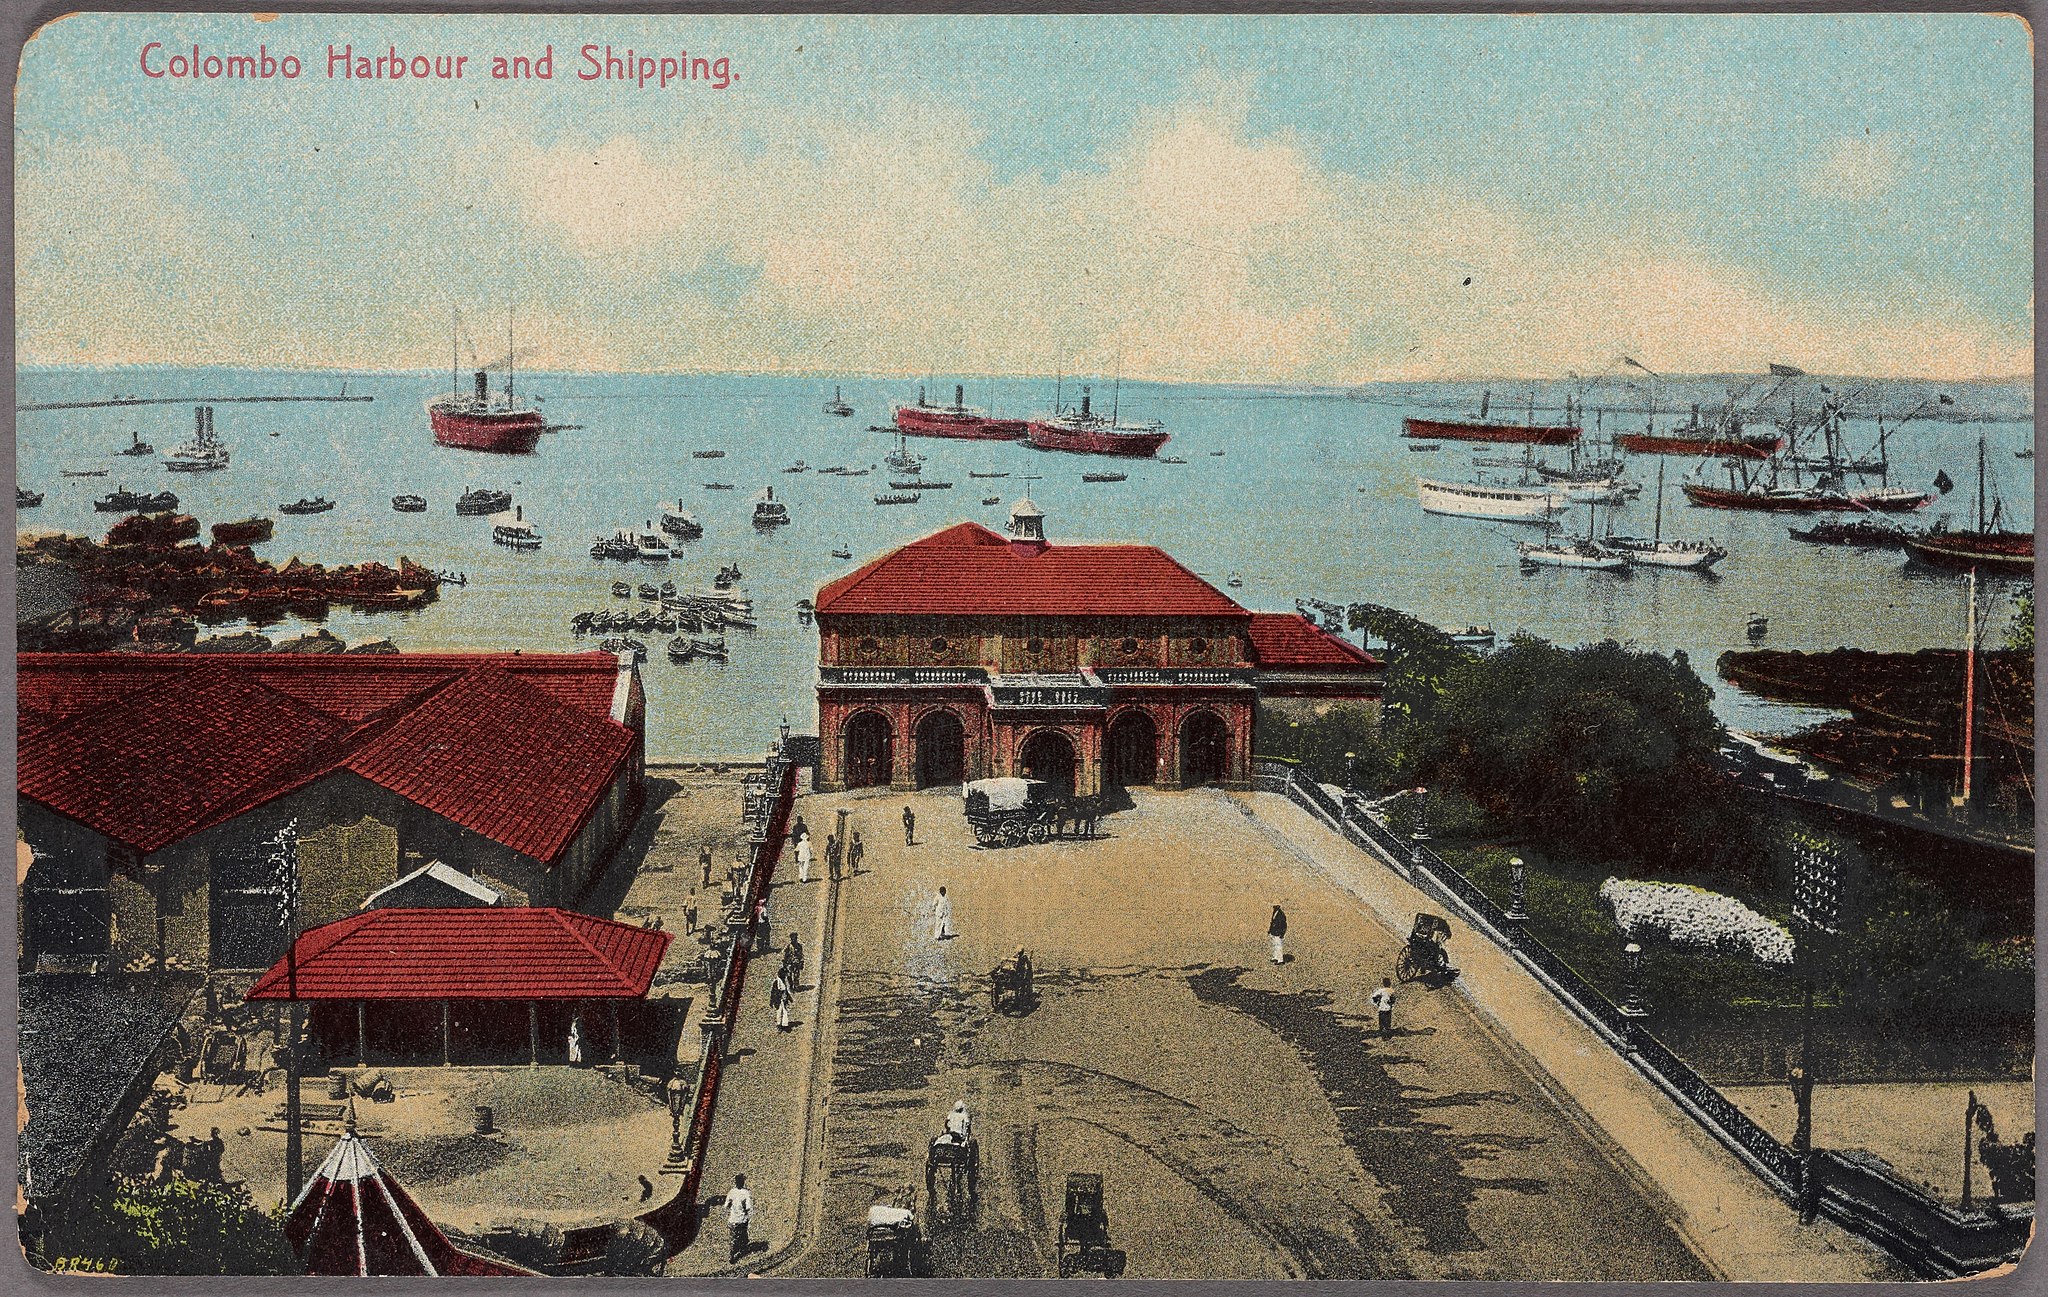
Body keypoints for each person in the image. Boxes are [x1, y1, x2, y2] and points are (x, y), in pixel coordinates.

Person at [725, 1173, 754, 1262]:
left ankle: (733, 1253)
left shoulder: (731, 1192)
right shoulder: (746, 1193)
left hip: (732, 1219)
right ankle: (741, 1249)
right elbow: (749, 1208)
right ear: (743, 1182)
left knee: (733, 1238)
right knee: (742, 1233)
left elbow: (726, 1205)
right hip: (741, 1220)